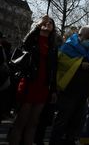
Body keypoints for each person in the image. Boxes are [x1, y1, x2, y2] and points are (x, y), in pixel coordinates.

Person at [8, 15, 58, 145]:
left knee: (33, 122)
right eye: (45, 22)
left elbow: (54, 69)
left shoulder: (53, 46)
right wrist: (38, 25)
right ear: (40, 24)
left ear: (53, 28)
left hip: (43, 87)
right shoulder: (33, 41)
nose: (48, 24)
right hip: (29, 84)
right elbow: (25, 43)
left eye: (50, 23)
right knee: (21, 121)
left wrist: (53, 90)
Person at [50, 26, 89, 145]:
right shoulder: (68, 47)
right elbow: (61, 63)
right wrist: (80, 64)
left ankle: (70, 140)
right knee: (62, 120)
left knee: (77, 121)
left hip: (84, 91)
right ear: (80, 35)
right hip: (69, 90)